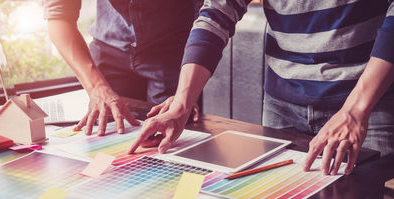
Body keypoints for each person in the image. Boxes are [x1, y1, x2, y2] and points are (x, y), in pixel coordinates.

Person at [129, 0, 394, 176]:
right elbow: (216, 15)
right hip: (282, 105)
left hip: (369, 104)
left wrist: (356, 109)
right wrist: (181, 103)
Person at [43, 0, 198, 136]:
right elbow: (58, 16)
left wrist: (187, 94)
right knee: (109, 136)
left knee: (174, 137)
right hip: (109, 54)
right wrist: (96, 87)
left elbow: (209, 16)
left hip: (173, 53)